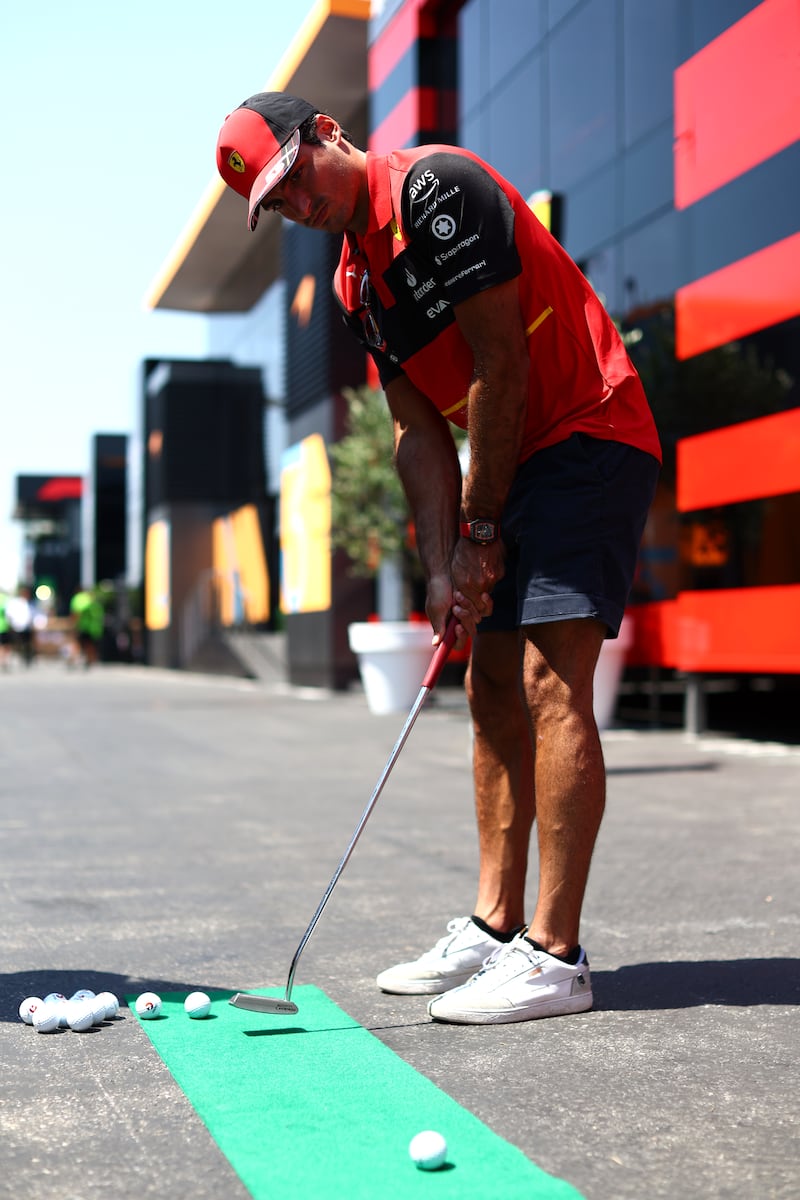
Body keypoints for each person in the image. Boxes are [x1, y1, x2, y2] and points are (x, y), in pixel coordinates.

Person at [216, 93, 662, 1024]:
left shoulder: (435, 191)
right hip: (516, 460)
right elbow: (419, 433)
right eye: (278, 202)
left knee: (548, 682)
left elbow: (503, 362)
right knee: (490, 685)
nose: (298, 205)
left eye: (295, 178)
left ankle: (554, 956)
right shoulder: (355, 286)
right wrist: (437, 565)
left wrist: (481, 534)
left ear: (330, 133)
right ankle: (495, 929)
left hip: (588, 433)